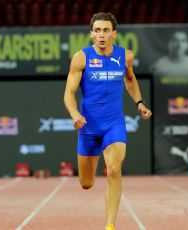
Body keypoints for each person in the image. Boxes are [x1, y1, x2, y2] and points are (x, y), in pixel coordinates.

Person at [63, 12, 152, 230]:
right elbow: (69, 93)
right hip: (88, 127)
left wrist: (139, 102)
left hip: (114, 124)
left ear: (114, 33)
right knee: (86, 183)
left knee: (113, 169)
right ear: (91, 34)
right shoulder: (81, 58)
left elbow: (130, 79)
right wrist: (75, 115)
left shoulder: (125, 56)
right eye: (97, 31)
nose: (101, 35)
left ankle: (110, 226)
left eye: (105, 30)